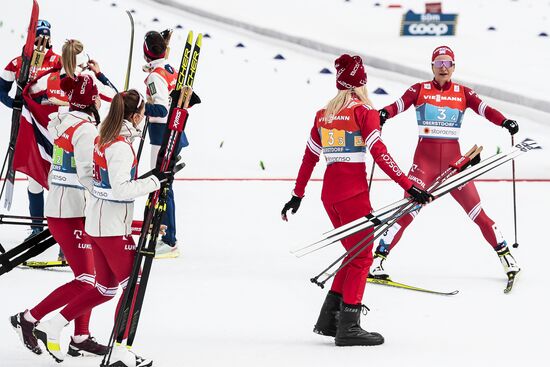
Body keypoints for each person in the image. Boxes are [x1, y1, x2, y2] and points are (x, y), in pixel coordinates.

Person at [281, 54, 432, 347]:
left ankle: (330, 320)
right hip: (353, 196)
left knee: (353, 254)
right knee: (362, 256)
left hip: (331, 197)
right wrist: (408, 185)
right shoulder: (365, 112)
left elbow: (309, 157)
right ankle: (349, 327)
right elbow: (380, 153)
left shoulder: (323, 114)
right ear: (361, 83)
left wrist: (297, 195)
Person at [33, 89, 171, 366]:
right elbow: (120, 189)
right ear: (134, 115)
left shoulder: (103, 137)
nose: (143, 118)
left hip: (97, 223)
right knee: (134, 285)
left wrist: (147, 178)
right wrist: (154, 182)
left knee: (105, 288)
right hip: (110, 228)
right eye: (142, 113)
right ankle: (120, 351)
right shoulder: (119, 144)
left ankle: (53, 325)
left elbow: (96, 178)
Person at [369, 45, 520, 281]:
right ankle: (377, 260)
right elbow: (399, 104)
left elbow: (485, 110)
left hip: (454, 168)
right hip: (424, 166)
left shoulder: (463, 92)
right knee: (406, 213)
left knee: (478, 213)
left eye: (447, 63)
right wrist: (384, 113)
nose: (443, 68)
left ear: (453, 67)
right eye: (438, 63)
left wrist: (505, 122)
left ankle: (506, 256)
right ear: (432, 66)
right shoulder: (419, 89)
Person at [9, 74, 108, 357]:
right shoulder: (86, 130)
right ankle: (28, 319)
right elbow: (90, 175)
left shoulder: (64, 120)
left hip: (66, 207)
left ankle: (81, 336)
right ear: (92, 101)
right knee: (89, 279)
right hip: (72, 211)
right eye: (97, 97)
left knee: (90, 277)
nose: (100, 100)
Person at [0, 19, 61, 238]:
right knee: (34, 178)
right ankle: (37, 227)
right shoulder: (17, 63)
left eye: (46, 36)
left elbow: (68, 88)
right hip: (26, 126)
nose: (42, 41)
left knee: (58, 179)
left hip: (52, 128)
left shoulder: (58, 61)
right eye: (38, 36)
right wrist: (13, 103)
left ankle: (61, 228)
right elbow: (1, 89)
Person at [142, 30, 188, 258]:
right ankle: (162, 230)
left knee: (162, 187)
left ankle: (169, 240)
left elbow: (159, 108)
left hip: (162, 137)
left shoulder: (155, 76)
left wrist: (140, 106)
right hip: (171, 133)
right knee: (162, 186)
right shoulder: (167, 68)